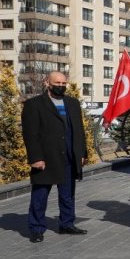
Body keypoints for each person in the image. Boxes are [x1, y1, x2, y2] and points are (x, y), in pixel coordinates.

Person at [21, 71, 88, 243]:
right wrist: (36, 158)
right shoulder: (34, 104)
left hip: (69, 156)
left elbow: (79, 130)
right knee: (40, 194)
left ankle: (67, 224)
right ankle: (36, 228)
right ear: (47, 83)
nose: (60, 86)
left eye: (63, 83)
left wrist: (81, 153)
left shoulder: (72, 103)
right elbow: (31, 134)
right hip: (46, 157)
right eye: (57, 83)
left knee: (68, 194)